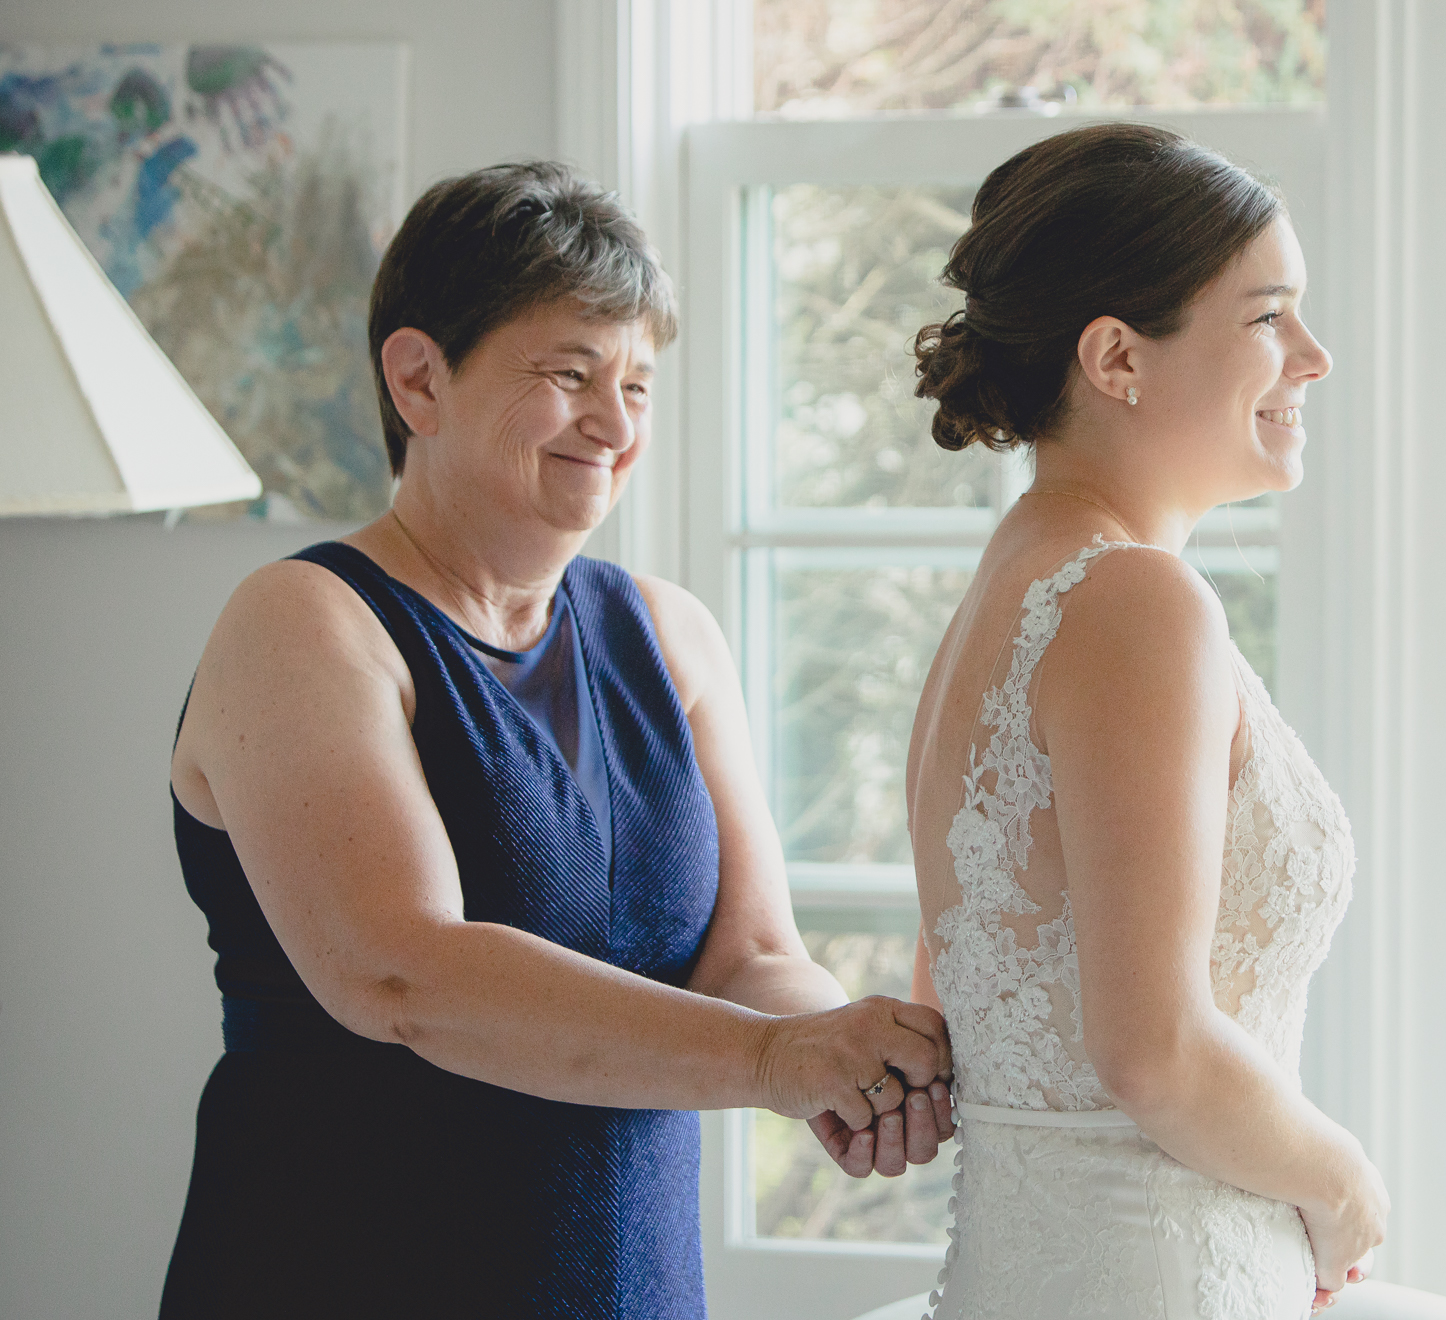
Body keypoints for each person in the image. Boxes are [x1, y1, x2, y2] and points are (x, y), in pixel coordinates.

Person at [162, 162, 953, 1320]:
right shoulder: (302, 622)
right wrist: (770, 1065)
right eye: (568, 373)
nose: (617, 422)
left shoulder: (671, 632)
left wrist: (849, 1055)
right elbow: (404, 970)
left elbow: (749, 958)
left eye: (637, 382)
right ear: (419, 379)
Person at [904, 124, 1387, 1320]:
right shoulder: (1133, 601)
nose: (1315, 357)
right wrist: (1342, 1183)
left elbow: (961, 982)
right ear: (1118, 358)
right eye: (1270, 318)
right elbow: (1153, 1048)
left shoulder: (1010, 585)